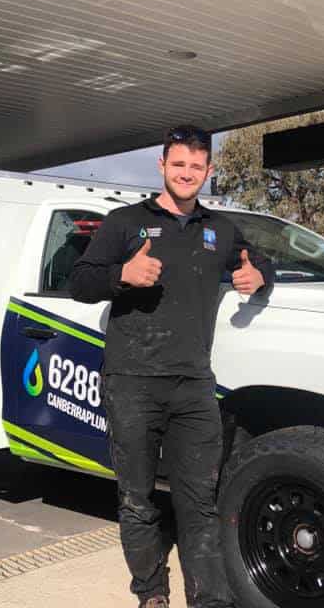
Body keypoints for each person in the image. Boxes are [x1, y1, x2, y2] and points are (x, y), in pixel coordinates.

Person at [68, 125, 274, 608]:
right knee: (137, 501)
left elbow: (259, 257)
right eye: (178, 164)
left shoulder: (218, 230)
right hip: (132, 382)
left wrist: (260, 275)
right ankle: (151, 594)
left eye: (196, 166)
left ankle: (209, 600)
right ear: (162, 166)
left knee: (200, 503)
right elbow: (80, 280)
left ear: (209, 170)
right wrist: (123, 274)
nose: (187, 174)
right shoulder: (123, 223)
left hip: (194, 386)